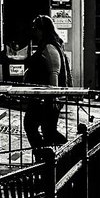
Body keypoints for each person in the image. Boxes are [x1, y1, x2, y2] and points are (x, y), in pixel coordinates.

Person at [23, 14, 73, 149]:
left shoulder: (50, 48)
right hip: (45, 97)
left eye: (36, 28)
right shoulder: (50, 45)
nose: (34, 31)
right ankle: (52, 156)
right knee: (47, 130)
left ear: (42, 30)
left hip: (46, 98)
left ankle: (60, 153)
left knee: (33, 125)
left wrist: (52, 98)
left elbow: (54, 73)